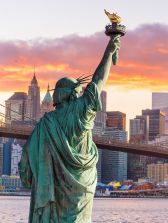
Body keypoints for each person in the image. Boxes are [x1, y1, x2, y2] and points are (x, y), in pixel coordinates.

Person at [19, 34, 121, 223]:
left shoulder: (45, 124)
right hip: (81, 192)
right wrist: (109, 51)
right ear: (73, 94)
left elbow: (25, 164)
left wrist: (34, 178)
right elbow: (98, 82)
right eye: (78, 91)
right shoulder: (80, 112)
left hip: (53, 195)